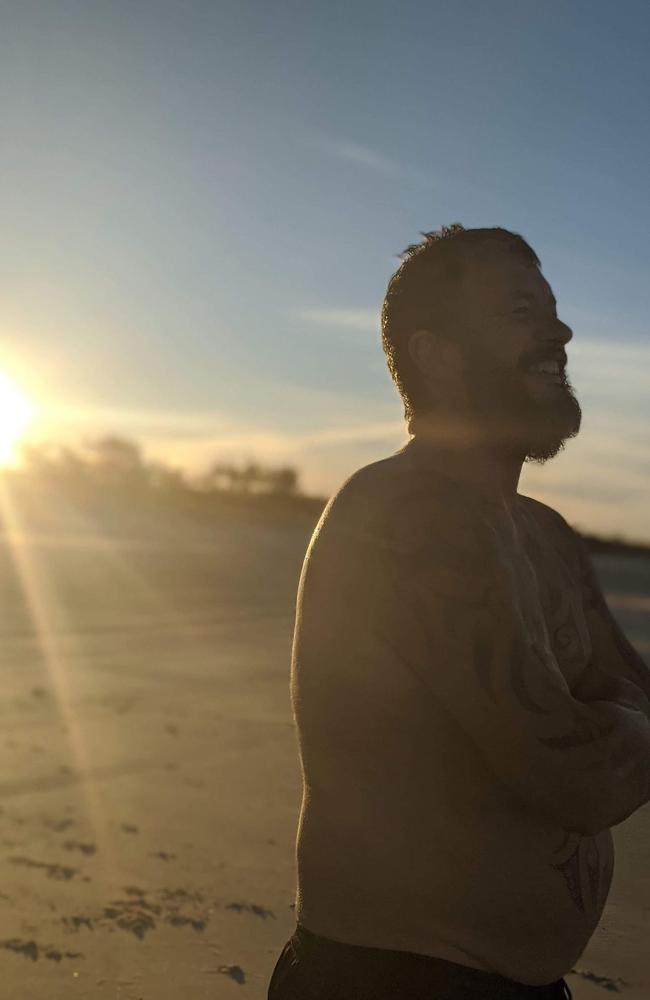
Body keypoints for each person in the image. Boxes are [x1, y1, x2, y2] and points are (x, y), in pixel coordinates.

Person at [267, 225, 650, 999]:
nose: (561, 331)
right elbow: (576, 775)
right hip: (387, 979)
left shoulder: (544, 535)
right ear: (438, 355)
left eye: (553, 309)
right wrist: (608, 717)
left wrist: (612, 719)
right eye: (521, 312)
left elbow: (622, 708)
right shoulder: (405, 515)